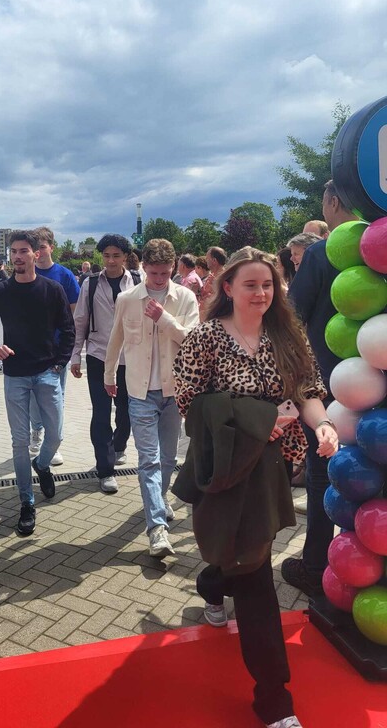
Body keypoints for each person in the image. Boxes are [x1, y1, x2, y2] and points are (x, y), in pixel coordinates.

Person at [172, 246, 338, 728]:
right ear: (227, 288)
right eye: (251, 284)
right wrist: (258, 418)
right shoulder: (206, 338)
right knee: (247, 564)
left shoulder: (288, 333)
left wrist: (323, 425)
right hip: (223, 464)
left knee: (254, 568)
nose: (262, 292)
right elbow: (189, 403)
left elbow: (307, 389)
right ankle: (215, 581)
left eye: (269, 284)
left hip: (268, 469)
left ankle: (273, 699)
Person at [281, 180, 359, 596]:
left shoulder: (319, 254)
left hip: (327, 386)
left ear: (331, 202)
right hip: (376, 383)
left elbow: (292, 321)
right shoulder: (376, 245)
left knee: (321, 473)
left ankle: (316, 563)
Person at [0, 230, 75, 536]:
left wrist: (59, 364)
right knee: (19, 442)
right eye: (13, 252)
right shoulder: (1, 292)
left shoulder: (53, 289)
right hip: (15, 375)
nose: (17, 257)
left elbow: (69, 330)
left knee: (55, 435)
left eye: (23, 251)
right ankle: (26, 503)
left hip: (47, 372)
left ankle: (42, 466)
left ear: (36, 254)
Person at [104, 239, 199, 556]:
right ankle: (157, 528)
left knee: (169, 458)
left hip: (175, 391)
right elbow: (115, 339)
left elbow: (191, 340)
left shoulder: (185, 297)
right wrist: (108, 376)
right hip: (139, 391)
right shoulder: (127, 298)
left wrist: (164, 318)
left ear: (173, 268)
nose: (159, 279)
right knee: (149, 459)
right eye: (154, 273)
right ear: (143, 268)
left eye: (165, 273)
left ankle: (159, 501)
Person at [70, 233, 138, 493]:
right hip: (99, 356)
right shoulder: (90, 284)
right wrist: (76, 354)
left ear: (125, 257)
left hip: (129, 358)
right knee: (100, 412)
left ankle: (119, 445)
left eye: (116, 255)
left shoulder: (136, 282)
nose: (111, 260)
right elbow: (80, 322)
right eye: (107, 255)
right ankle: (105, 469)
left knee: (126, 410)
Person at [29, 227, 81, 466]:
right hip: (30, 350)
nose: (39, 252)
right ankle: (37, 433)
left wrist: (71, 345)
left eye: (42, 246)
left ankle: (53, 442)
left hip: (58, 349)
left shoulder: (64, 275)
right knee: (33, 397)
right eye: (35, 247)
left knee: (56, 397)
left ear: (51, 247)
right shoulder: (25, 274)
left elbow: (74, 311)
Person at [199, 246, 227, 316]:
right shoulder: (211, 276)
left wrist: (214, 288)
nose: (206, 260)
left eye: (207, 258)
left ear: (214, 260)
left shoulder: (226, 278)